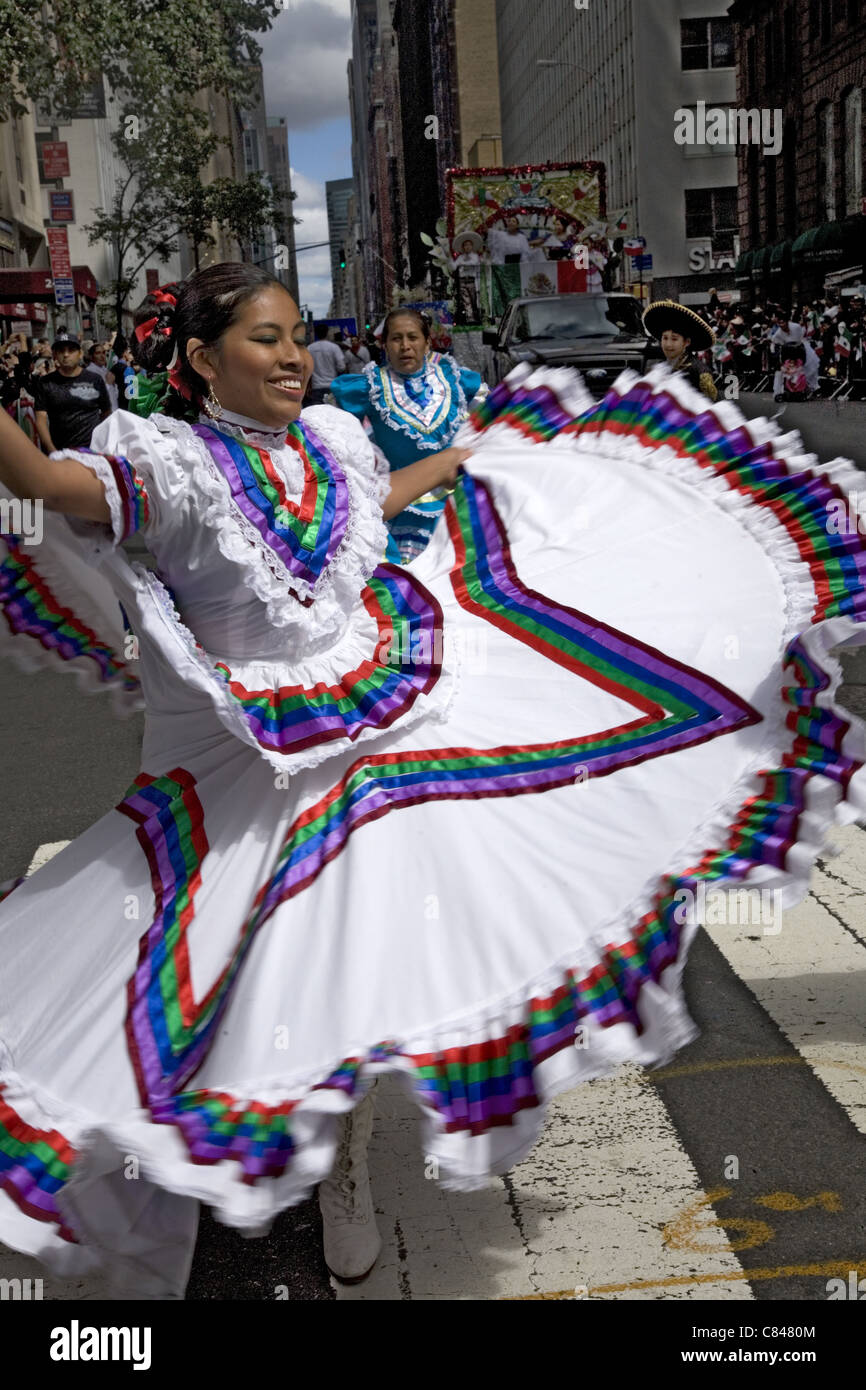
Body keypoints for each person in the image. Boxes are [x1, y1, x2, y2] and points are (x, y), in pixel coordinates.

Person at [2, 262, 864, 1302]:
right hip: (249, 761)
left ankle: (346, 1170)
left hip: (379, 720)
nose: (288, 357)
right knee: (236, 976)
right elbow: (47, 488)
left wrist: (459, 459)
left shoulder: (330, 440)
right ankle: (265, 1135)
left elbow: (372, 500)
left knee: (366, 948)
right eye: (261, 340)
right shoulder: (169, 465)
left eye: (293, 337)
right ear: (197, 360)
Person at [330, 306, 482, 561]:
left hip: (457, 505)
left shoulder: (456, 380)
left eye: (412, 337)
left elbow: (484, 425)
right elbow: (335, 439)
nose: (405, 346)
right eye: (396, 339)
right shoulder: (367, 387)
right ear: (385, 345)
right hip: (399, 508)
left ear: (426, 343)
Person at [31, 334, 111, 452]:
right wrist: (52, 450)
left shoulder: (95, 380)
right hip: (60, 453)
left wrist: (102, 446)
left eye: (71, 350)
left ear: (80, 354)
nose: (66, 354)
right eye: (61, 350)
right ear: (55, 355)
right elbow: (41, 419)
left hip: (92, 452)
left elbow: (106, 413)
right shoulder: (45, 383)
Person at [642, 299, 719, 402]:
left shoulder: (700, 373)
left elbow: (711, 409)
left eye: (674, 339)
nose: (668, 344)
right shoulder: (658, 368)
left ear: (686, 342)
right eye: (665, 338)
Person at [768, 310, 819, 399]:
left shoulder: (796, 327)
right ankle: (779, 391)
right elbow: (776, 344)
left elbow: (801, 339)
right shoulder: (778, 334)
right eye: (779, 323)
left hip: (801, 349)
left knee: (809, 368)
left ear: (787, 321)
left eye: (783, 322)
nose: (781, 325)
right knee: (783, 371)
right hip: (788, 353)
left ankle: (809, 388)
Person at [307, 322, 347, 404]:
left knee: (318, 414)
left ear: (316, 334)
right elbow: (341, 367)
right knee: (332, 413)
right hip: (332, 386)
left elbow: (306, 368)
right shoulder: (334, 347)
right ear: (327, 332)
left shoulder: (310, 348)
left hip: (316, 386)